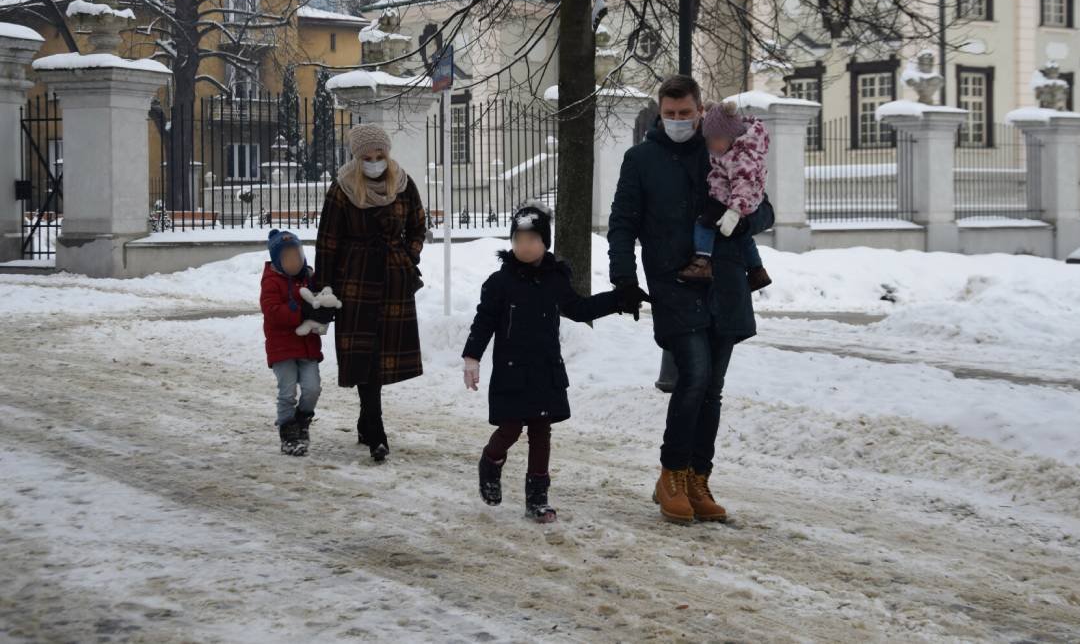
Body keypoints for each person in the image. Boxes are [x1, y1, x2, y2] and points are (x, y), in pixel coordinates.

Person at [607, 75, 774, 524]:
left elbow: (764, 207)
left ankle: (699, 478)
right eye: (670, 114)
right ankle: (672, 475)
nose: (679, 121)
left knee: (712, 389)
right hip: (672, 280)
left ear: (701, 110)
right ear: (660, 113)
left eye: (686, 113)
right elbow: (622, 221)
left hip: (726, 279)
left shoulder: (723, 146)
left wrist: (744, 221)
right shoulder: (640, 159)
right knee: (694, 375)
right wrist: (624, 276)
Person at [461, 206, 646, 522]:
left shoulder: (555, 280)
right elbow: (483, 323)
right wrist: (471, 358)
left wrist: (619, 299)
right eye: (519, 239)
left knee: (541, 433)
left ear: (545, 242)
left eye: (533, 238)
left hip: (546, 369)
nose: (526, 245)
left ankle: (537, 498)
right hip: (511, 371)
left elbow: (579, 308)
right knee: (509, 430)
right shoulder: (499, 283)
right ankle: (490, 463)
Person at [313, 123, 427, 463]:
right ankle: (375, 429)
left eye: (380, 155)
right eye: (367, 157)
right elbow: (327, 244)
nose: (375, 162)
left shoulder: (403, 184)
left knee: (382, 356)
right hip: (356, 283)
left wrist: (408, 256)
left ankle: (366, 419)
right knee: (365, 354)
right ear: (356, 157)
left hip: (393, 281)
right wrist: (325, 288)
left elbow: (418, 225)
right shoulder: (342, 189)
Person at [678, 100, 773, 291]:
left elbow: (744, 185)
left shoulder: (740, 157)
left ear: (731, 136)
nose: (711, 145)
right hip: (734, 198)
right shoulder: (729, 147)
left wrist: (735, 211)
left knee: (704, 223)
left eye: (716, 139)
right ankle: (757, 271)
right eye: (709, 140)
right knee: (742, 237)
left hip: (734, 201)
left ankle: (703, 261)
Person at [260, 229, 326, 456]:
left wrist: (323, 309)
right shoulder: (271, 281)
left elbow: (321, 298)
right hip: (282, 348)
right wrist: (300, 313)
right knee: (287, 391)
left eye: (296, 256)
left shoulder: (309, 278)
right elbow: (272, 311)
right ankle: (288, 432)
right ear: (278, 260)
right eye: (287, 258)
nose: (294, 262)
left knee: (312, 389)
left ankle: (302, 420)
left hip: (308, 346)